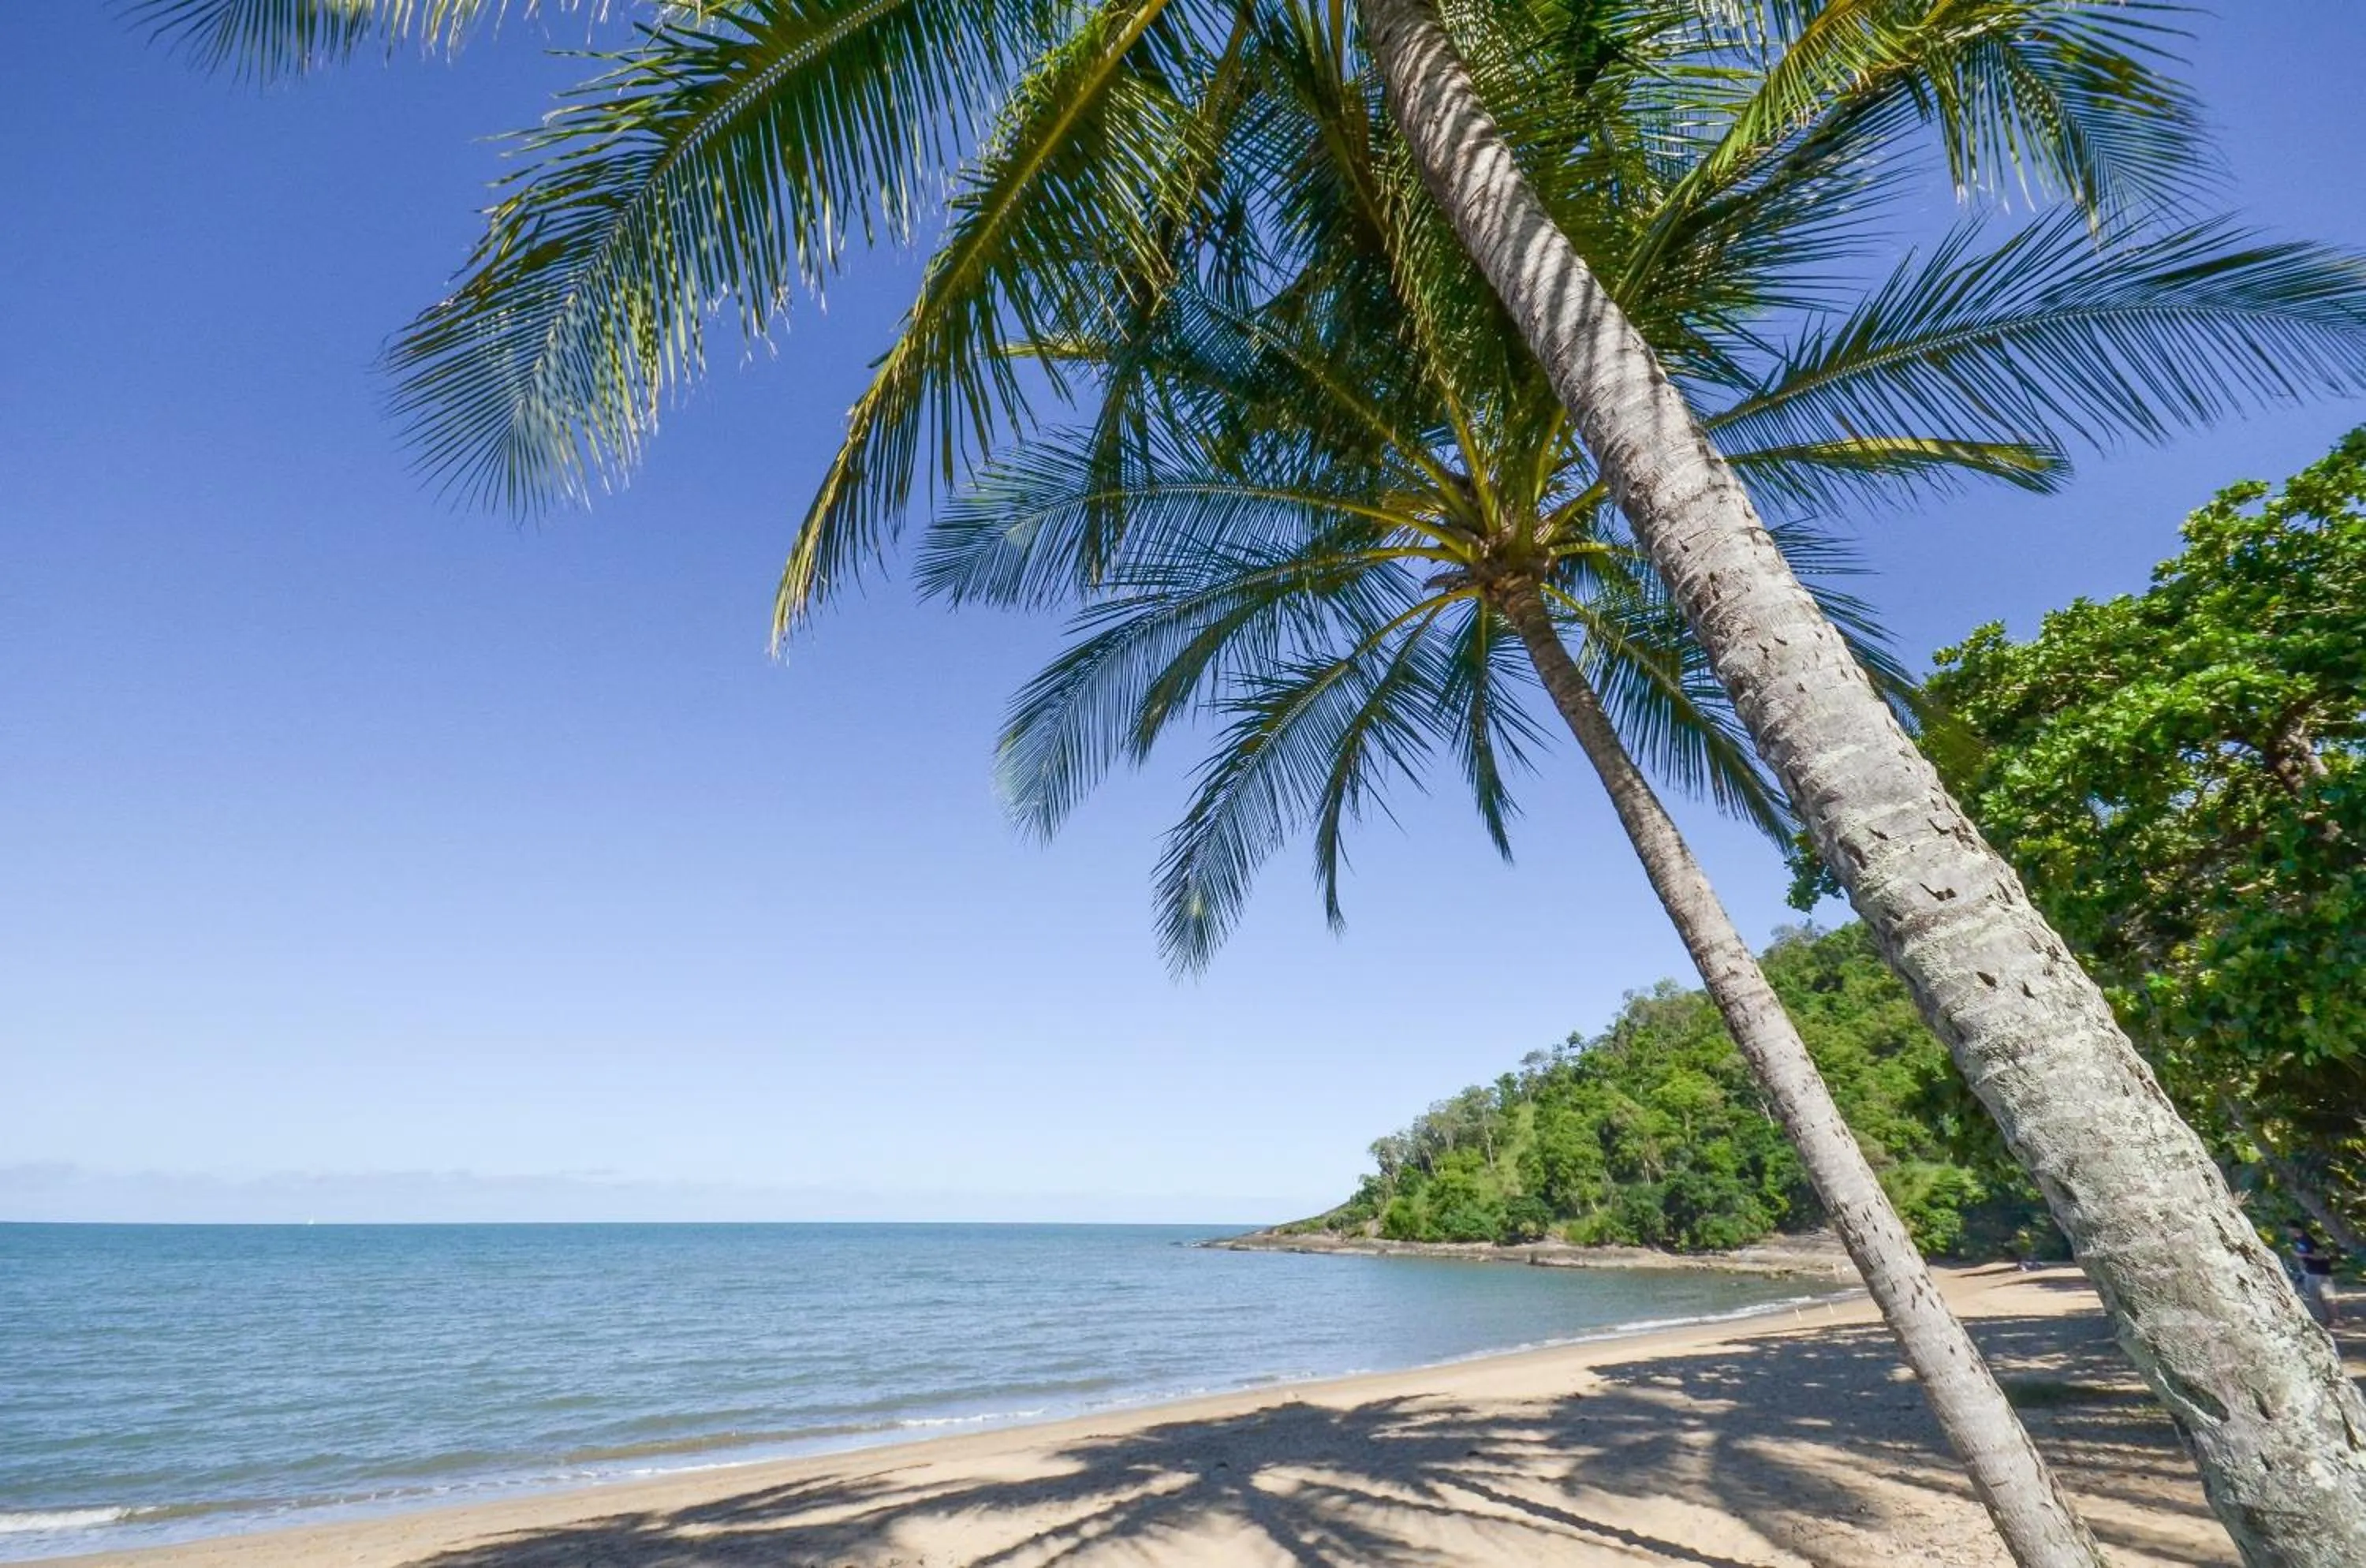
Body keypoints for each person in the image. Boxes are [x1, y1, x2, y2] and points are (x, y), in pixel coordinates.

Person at [2288, 1224, 2342, 1327]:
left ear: (2296, 1229)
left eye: (2289, 1229)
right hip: (2311, 1271)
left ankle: (2336, 1320)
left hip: (2319, 1271)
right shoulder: (2299, 1241)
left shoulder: (2309, 1240)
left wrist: (2302, 1255)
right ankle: (2329, 1319)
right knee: (2317, 1296)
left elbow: (2321, 1256)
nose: (2288, 1233)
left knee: (2327, 1296)